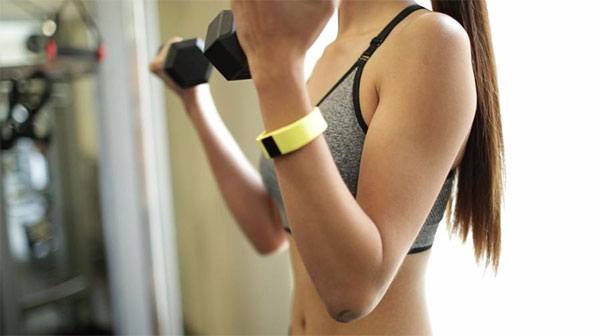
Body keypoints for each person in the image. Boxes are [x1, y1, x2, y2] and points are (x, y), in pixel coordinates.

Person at [150, 0, 503, 334]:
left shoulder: (430, 41)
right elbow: (271, 229)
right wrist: (196, 102)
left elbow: (352, 292)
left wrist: (276, 65)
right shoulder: (328, 55)